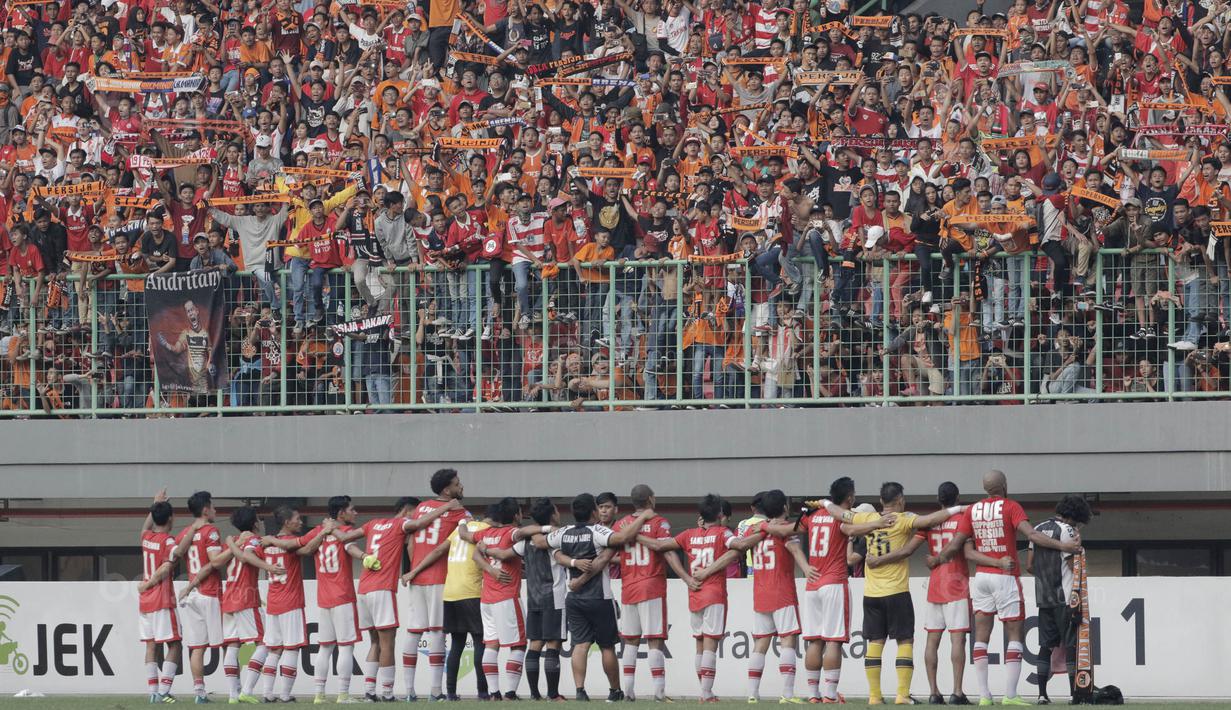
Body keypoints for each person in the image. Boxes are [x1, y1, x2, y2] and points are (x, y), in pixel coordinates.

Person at [931, 470, 1083, 706]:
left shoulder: (972, 510)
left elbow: (960, 547)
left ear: (985, 488)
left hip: (981, 577)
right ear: (1004, 485)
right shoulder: (1011, 506)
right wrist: (1064, 546)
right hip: (1005, 577)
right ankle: (1010, 694)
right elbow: (1032, 534)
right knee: (1014, 634)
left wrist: (938, 559)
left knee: (981, 636)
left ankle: (984, 696)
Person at [816, 484, 964, 705]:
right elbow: (930, 520)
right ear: (900, 500)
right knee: (905, 640)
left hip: (871, 593)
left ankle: (874, 696)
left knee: (875, 642)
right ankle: (902, 694)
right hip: (896, 591)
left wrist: (825, 502)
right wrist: (959, 509)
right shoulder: (903, 519)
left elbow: (841, 515)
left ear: (880, 500)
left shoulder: (867, 518)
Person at [638, 494, 746, 702]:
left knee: (700, 644)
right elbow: (738, 545)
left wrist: (636, 536)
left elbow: (660, 547)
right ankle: (706, 693)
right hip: (714, 593)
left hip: (694, 592)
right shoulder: (723, 533)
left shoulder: (688, 534)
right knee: (710, 644)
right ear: (720, 514)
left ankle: (704, 691)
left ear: (701, 515)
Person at [547, 493, 655, 701]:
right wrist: (643, 517)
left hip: (573, 597)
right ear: (594, 512)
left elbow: (546, 545)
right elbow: (621, 538)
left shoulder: (564, 532)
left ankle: (580, 691)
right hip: (600, 597)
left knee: (580, 645)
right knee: (607, 646)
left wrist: (565, 559)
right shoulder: (597, 531)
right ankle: (614, 691)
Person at [355, 496, 461, 701]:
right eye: (416, 512)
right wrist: (446, 507)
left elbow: (346, 540)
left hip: (366, 587)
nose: (418, 516)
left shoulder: (374, 523)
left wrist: (362, 556)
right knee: (426, 633)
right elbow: (421, 529)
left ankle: (379, 692)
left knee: (382, 640)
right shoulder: (402, 525)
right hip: (394, 586)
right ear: (407, 510)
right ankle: (409, 693)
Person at [178, 505, 281, 704]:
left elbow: (216, 563)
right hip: (245, 598)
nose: (260, 522)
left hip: (229, 598)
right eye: (258, 519)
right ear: (254, 523)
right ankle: (247, 690)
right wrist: (269, 567)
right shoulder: (252, 540)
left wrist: (230, 542)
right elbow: (246, 556)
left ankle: (233, 695)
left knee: (233, 646)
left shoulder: (232, 541)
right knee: (265, 642)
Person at [612, 484, 694, 702]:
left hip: (628, 588)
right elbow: (667, 552)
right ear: (650, 499)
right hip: (651, 586)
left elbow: (610, 553)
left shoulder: (621, 524)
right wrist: (685, 577)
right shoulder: (659, 523)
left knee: (630, 640)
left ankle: (628, 692)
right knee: (655, 640)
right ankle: (659, 693)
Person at [472, 497, 554, 700]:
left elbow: (472, 549)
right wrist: (547, 528)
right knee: (518, 645)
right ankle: (510, 693)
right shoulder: (511, 533)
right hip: (506, 596)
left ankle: (494, 693)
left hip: (486, 598)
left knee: (491, 644)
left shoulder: (485, 534)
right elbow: (525, 532)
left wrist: (463, 524)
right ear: (516, 515)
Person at [403, 469, 472, 701]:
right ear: (447, 490)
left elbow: (411, 542)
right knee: (436, 631)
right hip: (439, 577)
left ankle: (409, 691)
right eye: (457, 483)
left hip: (417, 577)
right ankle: (435, 691)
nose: (461, 486)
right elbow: (457, 541)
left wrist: (415, 568)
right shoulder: (458, 511)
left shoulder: (422, 507)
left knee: (414, 631)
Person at [1027, 495, 1093, 704]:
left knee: (1045, 646)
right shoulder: (1068, 530)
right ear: (1074, 516)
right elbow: (1074, 566)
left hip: (1044, 596)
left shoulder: (1037, 529)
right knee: (1072, 645)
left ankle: (1042, 695)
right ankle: (1075, 695)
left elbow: (1029, 566)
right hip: (1066, 598)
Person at [917, 483, 973, 705]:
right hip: (957, 583)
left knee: (932, 640)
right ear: (957, 498)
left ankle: (933, 692)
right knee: (957, 639)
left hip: (935, 584)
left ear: (938, 500)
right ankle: (957, 692)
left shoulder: (930, 521)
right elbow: (966, 551)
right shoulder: (962, 519)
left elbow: (911, 546)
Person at [173, 491, 224, 702]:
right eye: (213, 507)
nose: (215, 511)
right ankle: (238, 689)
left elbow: (175, 553)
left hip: (193, 595)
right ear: (205, 510)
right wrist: (232, 549)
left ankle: (199, 693)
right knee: (232, 641)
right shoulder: (211, 531)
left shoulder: (186, 532)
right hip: (209, 592)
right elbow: (215, 562)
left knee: (198, 647)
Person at [136, 489, 184, 703]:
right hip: (161, 599)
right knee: (175, 644)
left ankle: (153, 692)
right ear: (171, 518)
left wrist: (154, 505)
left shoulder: (147, 538)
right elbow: (166, 567)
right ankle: (164, 691)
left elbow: (145, 527)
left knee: (151, 644)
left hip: (145, 601)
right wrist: (150, 583)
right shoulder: (168, 541)